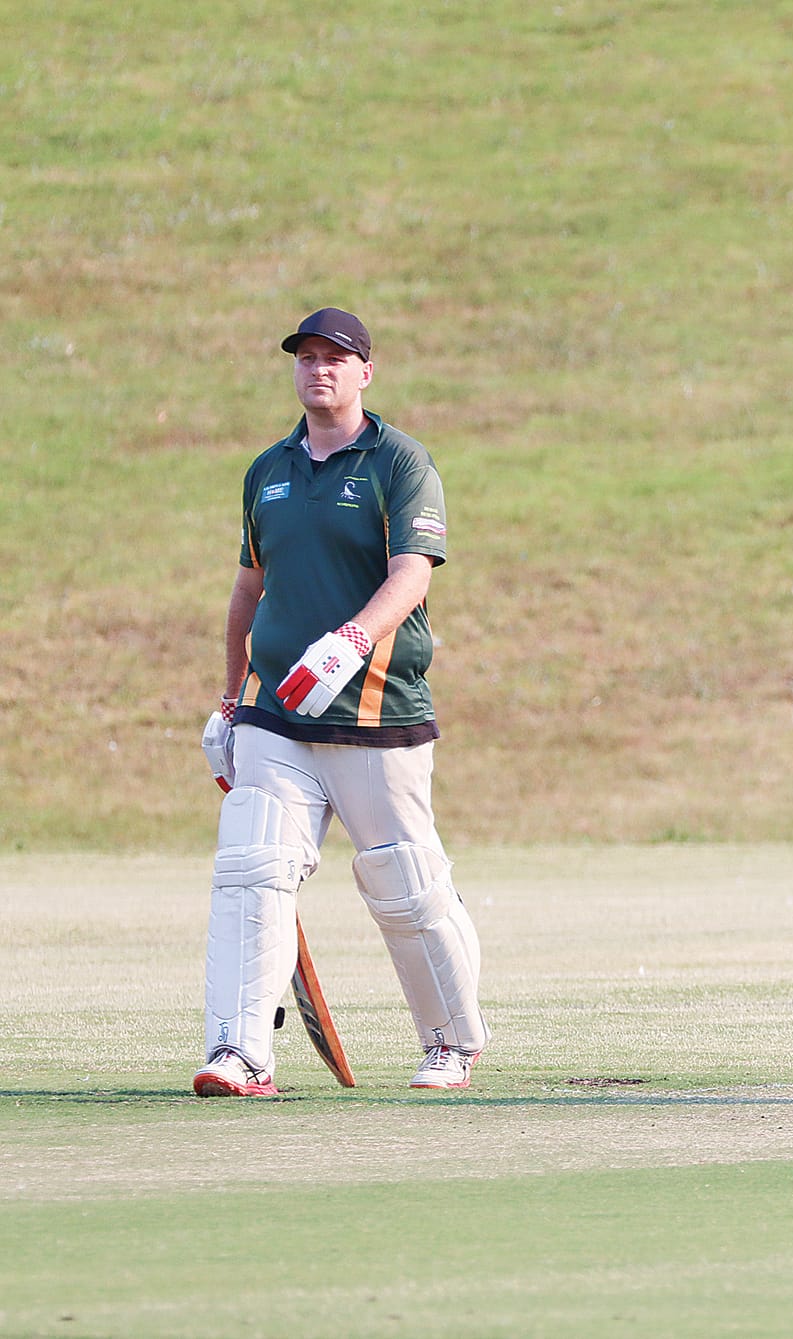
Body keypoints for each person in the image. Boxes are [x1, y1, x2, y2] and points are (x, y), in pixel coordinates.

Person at [193, 307, 490, 1096]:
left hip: (376, 713)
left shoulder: (400, 461)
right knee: (253, 867)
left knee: (404, 882)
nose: (319, 368)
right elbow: (249, 587)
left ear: (366, 371)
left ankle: (451, 1043)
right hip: (277, 713)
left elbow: (413, 571)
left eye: (336, 357)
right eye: (307, 357)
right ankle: (241, 1052)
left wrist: (352, 640)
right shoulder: (269, 470)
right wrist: (232, 698)